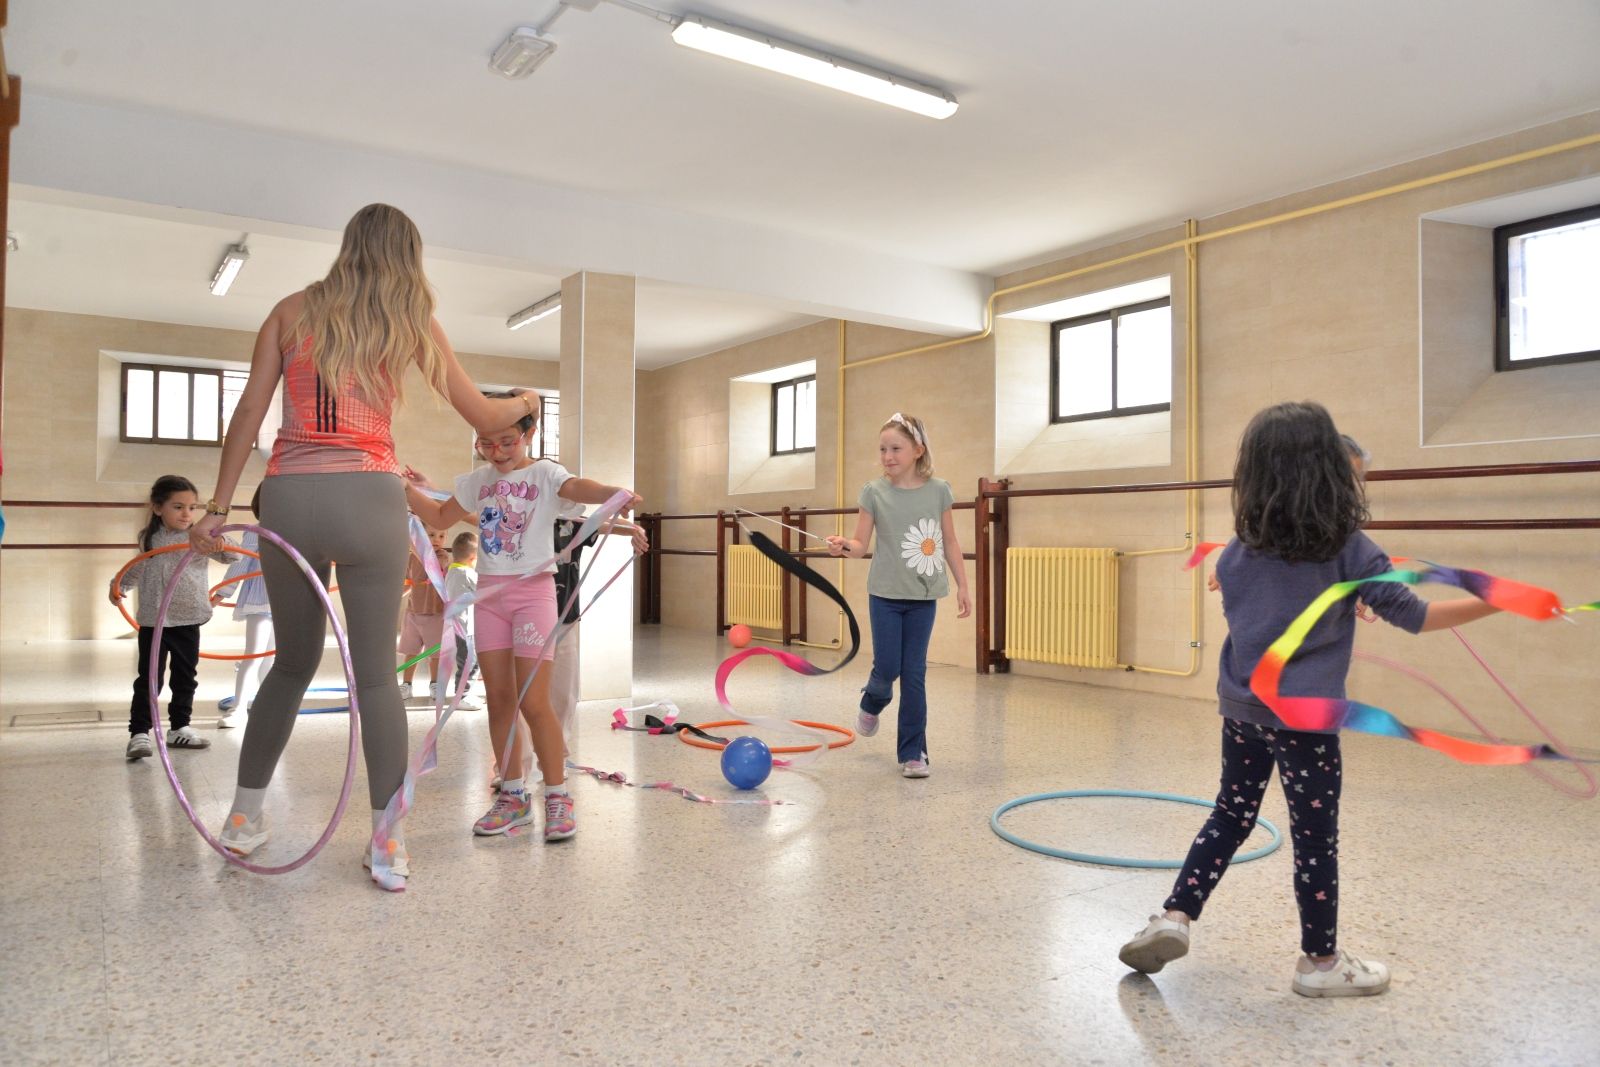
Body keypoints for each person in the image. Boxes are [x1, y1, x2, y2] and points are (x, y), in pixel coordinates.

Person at [187, 202, 541, 892]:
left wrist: (219, 507)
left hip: (289, 498)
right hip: (372, 495)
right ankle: (387, 842)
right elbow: (485, 415)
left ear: (348, 245)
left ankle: (243, 819)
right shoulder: (408, 318)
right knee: (376, 676)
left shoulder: (289, 311)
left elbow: (249, 412)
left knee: (291, 666)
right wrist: (526, 402)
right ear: (407, 256)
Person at [1117, 401, 1501, 996]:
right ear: (1328, 469)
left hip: (1244, 711)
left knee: (1231, 814)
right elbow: (1416, 617)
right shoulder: (1349, 549)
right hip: (1306, 721)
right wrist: (1493, 601)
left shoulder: (1238, 549)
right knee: (1315, 839)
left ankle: (1174, 917)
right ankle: (1320, 965)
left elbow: (1265, 602)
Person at [402, 401, 640, 843]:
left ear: (528, 435)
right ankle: (513, 797)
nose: (497, 452)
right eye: (486, 444)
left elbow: (577, 486)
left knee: (534, 701)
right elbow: (437, 516)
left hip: (533, 596)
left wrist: (613, 492)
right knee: (500, 700)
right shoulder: (477, 481)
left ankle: (557, 795)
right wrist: (403, 488)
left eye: (507, 441)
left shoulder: (546, 474)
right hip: (490, 598)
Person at [826, 412, 971, 778]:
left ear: (918, 450)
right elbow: (860, 545)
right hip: (885, 595)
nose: (887, 456)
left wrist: (963, 585)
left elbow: (950, 541)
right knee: (888, 667)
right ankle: (873, 701)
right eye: (882, 449)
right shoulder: (873, 492)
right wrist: (844, 545)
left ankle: (913, 753)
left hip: (924, 597)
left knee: (914, 673)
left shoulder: (939, 490)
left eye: (895, 449)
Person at [111, 474, 236, 758]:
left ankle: (180, 727)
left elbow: (233, 556)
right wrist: (119, 585)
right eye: (178, 507)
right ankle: (139, 733)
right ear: (158, 508)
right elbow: (137, 567)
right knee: (149, 679)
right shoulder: (150, 538)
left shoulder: (199, 538)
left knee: (184, 677)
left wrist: (220, 540)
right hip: (153, 621)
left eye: (192, 508)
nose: (187, 514)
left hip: (187, 619)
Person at [215, 488, 272, 729]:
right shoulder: (254, 532)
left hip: (285, 601)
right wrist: (222, 592)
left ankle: (268, 704)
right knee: (253, 655)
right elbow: (241, 563)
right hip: (260, 600)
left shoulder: (297, 531)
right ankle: (238, 708)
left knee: (272, 657)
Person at [398, 524, 449, 702]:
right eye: (431, 535)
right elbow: (407, 583)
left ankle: (435, 684)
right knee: (411, 651)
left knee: (435, 653)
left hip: (436, 614)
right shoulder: (411, 558)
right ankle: (406, 685)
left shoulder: (442, 557)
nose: (437, 540)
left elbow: (433, 567)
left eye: (441, 536)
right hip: (413, 613)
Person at [445, 530, 481, 707]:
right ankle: (463, 695)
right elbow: (484, 592)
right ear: (473, 558)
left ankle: (466, 693)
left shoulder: (452, 571)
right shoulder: (466, 574)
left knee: (467, 660)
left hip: (459, 626)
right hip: (466, 628)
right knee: (469, 661)